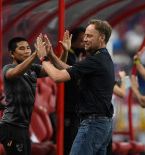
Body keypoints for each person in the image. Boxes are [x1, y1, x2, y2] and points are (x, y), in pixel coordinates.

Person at [35, 19, 114, 155]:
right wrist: (52, 56)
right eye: (85, 36)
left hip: (92, 125)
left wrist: (43, 59)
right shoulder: (103, 58)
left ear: (102, 37)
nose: (85, 40)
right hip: (102, 125)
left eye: (89, 36)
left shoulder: (94, 60)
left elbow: (58, 77)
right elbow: (71, 70)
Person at [0, 32, 71, 155]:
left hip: (23, 127)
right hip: (10, 126)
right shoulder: (8, 68)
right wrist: (36, 54)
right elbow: (15, 73)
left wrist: (65, 51)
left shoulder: (33, 69)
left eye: (28, 48)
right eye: (21, 48)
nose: (26, 51)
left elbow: (57, 70)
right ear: (12, 54)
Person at [63, 27, 85, 155]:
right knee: (70, 144)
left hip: (78, 110)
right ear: (73, 43)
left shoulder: (82, 58)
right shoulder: (70, 58)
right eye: (81, 41)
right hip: (69, 110)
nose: (84, 44)